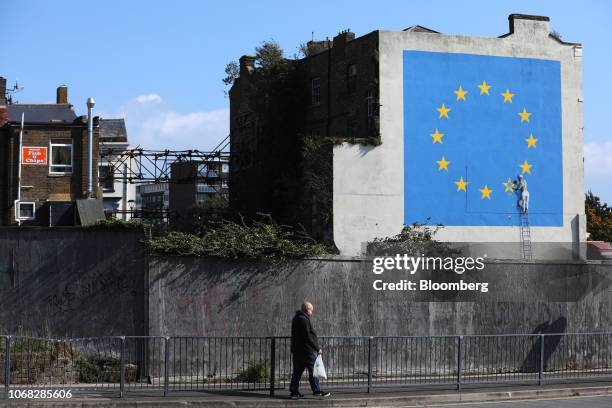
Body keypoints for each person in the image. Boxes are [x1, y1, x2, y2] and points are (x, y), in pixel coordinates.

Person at [289, 301, 331, 399]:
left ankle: (294, 392)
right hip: (307, 351)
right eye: (311, 310)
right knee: (314, 371)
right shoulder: (303, 320)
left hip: (298, 351)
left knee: (297, 372)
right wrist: (317, 348)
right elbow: (307, 336)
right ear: (307, 310)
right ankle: (316, 391)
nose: (312, 312)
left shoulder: (296, 318)